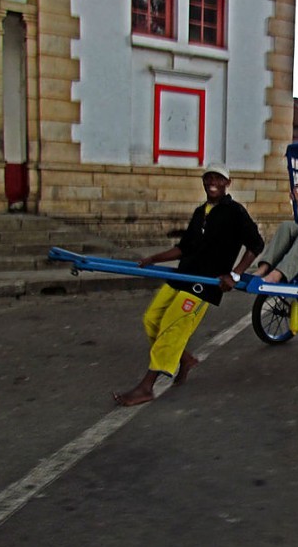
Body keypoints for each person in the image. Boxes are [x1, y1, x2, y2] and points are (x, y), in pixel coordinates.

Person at [112, 163, 264, 406]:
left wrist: (235, 275)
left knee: (173, 327)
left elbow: (257, 244)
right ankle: (184, 359)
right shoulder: (199, 212)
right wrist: (153, 259)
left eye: (218, 178)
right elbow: (184, 248)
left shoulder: (235, 212)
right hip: (183, 276)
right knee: (151, 319)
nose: (212, 181)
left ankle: (146, 387)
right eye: (208, 177)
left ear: (227, 183)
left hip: (204, 284)